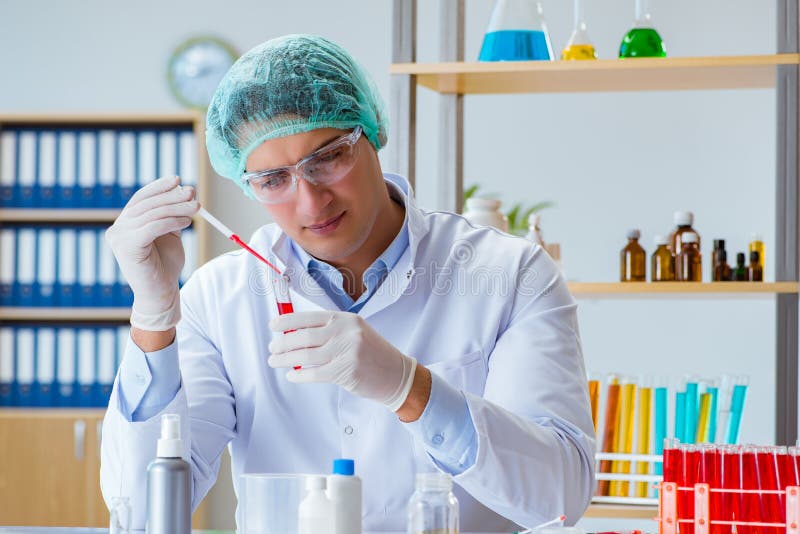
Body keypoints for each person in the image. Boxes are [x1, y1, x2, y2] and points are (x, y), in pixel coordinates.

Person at [100, 34, 595, 532]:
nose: (311, 202)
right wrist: (153, 317)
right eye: (274, 180)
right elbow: (139, 514)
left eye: (329, 157)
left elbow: (560, 496)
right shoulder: (217, 298)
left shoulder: (510, 275)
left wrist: (413, 389)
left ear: (373, 132)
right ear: (246, 184)